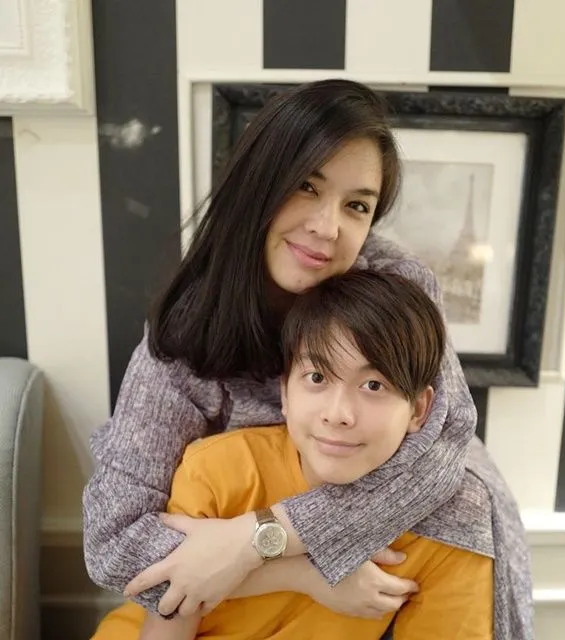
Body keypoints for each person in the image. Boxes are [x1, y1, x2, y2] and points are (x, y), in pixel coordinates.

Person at [82, 79, 532, 639]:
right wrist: (301, 572)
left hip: (406, 552)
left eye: (357, 205)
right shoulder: (188, 336)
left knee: (462, 511)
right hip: (237, 606)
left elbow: (439, 453)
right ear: (257, 186)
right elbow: (114, 545)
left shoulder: (397, 283)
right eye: (305, 186)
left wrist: (257, 538)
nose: (327, 227)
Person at [92, 269, 494, 640]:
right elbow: (166, 624)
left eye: (374, 385)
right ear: (285, 393)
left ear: (419, 410)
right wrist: (307, 574)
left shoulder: (451, 523)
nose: (338, 414)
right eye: (317, 377)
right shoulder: (218, 472)